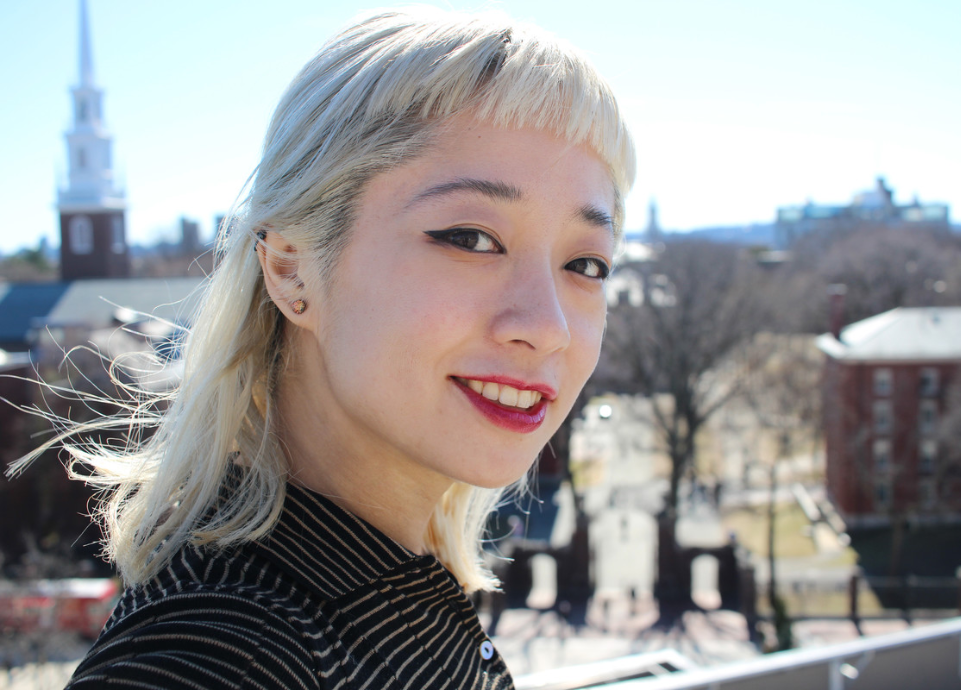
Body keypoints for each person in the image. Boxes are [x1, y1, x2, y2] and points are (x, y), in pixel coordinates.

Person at [39, 8, 633, 688]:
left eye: (586, 264)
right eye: (470, 237)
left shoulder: (384, 603)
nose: (548, 326)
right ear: (291, 268)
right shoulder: (221, 662)